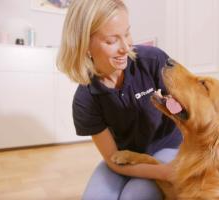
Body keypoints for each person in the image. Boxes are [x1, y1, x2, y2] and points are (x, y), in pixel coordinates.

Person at [56, 0, 182, 199]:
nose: (126, 47)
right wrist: (164, 173)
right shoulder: (85, 99)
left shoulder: (153, 60)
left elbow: (190, 106)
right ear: (84, 44)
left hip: (168, 147)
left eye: (127, 33)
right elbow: (113, 159)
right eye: (111, 40)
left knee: (135, 195)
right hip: (125, 157)